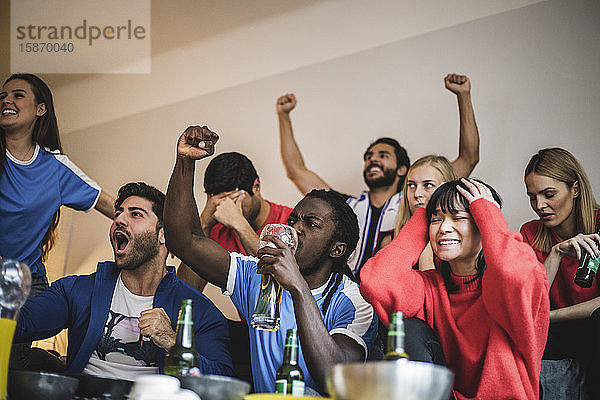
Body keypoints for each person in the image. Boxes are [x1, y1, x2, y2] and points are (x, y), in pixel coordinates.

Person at [164, 126, 377, 395]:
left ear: (337, 250)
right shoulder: (257, 276)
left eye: (310, 224)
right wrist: (185, 162)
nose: (295, 229)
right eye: (293, 220)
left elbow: (335, 381)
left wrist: (297, 286)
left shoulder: (354, 302)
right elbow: (184, 241)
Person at [14, 182, 233, 379]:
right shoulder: (77, 290)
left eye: (136, 214)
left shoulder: (200, 311)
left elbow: (221, 380)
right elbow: (18, 324)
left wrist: (172, 342)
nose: (119, 219)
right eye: (118, 213)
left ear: (163, 235)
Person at [360, 178, 549, 399]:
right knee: (409, 328)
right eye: (436, 220)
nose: (444, 228)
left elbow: (517, 274)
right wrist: (423, 215)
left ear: (483, 222)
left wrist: (487, 212)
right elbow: (376, 281)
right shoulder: (430, 287)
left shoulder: (509, 288)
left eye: (459, 218)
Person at [276, 73, 480, 277]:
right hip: (346, 292)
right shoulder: (348, 206)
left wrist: (463, 96)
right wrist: (284, 116)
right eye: (369, 156)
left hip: (389, 291)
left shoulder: (414, 200)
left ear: (403, 169)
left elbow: (468, 158)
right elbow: (297, 171)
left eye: (383, 156)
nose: (373, 160)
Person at [1, 73, 115, 370]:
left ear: (41, 109)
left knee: (9, 369)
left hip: (26, 285)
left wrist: (158, 230)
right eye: (2, 96)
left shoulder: (55, 168)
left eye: (17, 95)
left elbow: (111, 206)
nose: (6, 100)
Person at [521, 147, 600, 396]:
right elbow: (531, 307)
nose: (539, 205)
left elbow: (541, 317)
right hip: (556, 334)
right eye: (532, 197)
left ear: (574, 189)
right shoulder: (530, 233)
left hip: (590, 325)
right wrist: (555, 253)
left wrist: (549, 317)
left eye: (549, 194)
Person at [177, 151, 292, 292]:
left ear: (256, 187)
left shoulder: (291, 222)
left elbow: (285, 284)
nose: (228, 209)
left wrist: (239, 224)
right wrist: (203, 225)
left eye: (234, 200)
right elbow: (186, 292)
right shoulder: (217, 232)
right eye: (220, 202)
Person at [388, 155, 457, 270]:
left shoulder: (461, 240)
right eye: (411, 185)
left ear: (446, 187)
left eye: (428, 185)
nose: (417, 194)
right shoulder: (391, 240)